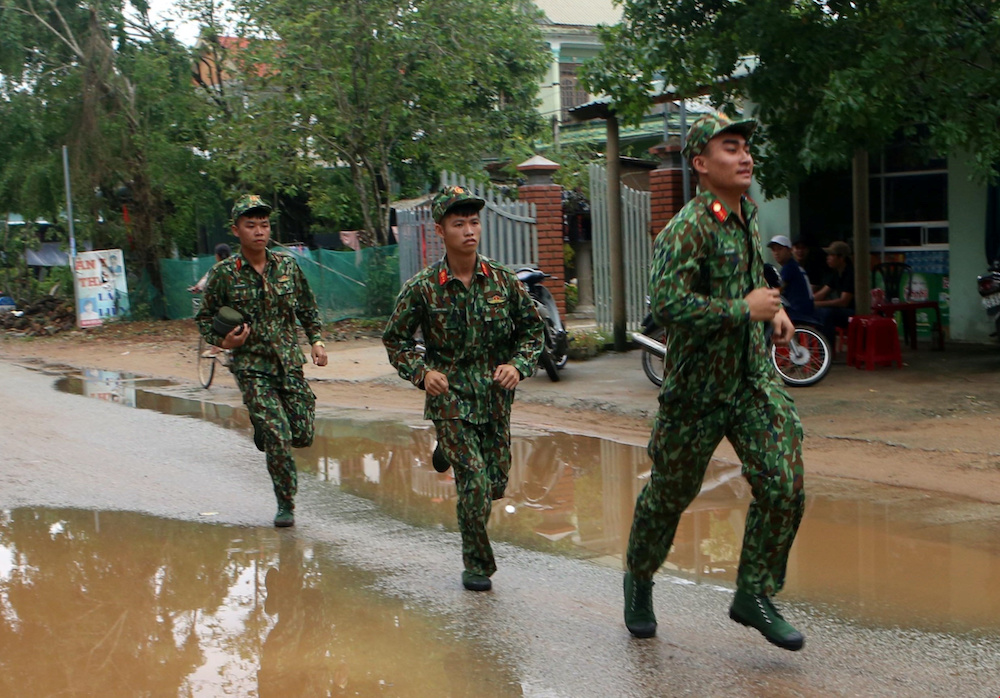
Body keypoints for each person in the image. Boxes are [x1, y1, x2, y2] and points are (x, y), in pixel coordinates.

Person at [622, 112, 806, 651]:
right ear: (702, 164)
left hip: (750, 383)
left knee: (784, 481)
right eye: (731, 147)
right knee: (669, 496)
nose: (745, 155)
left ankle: (753, 592)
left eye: (746, 146)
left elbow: (752, 280)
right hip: (697, 392)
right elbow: (668, 307)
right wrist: (740, 309)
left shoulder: (747, 215)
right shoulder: (686, 228)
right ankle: (638, 579)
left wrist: (772, 310)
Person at [382, 185, 544, 592]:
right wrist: (421, 373)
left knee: (495, 483)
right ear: (441, 230)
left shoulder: (503, 281)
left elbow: (531, 330)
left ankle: (446, 451)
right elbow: (395, 340)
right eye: (459, 223)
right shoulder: (424, 287)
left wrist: (518, 366)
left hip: (493, 398)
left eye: (474, 222)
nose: (469, 230)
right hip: (449, 400)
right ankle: (477, 566)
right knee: (472, 483)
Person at [195, 194, 328, 527]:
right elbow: (204, 319)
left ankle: (263, 429)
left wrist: (316, 340)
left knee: (302, 433)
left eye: (264, 225)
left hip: (289, 362)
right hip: (252, 367)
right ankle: (286, 504)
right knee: (279, 436)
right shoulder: (224, 274)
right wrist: (222, 340)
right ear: (236, 230)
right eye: (250, 225)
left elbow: (307, 307)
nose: (259, 231)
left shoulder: (287, 266)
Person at [813, 240, 855, 344]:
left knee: (827, 314)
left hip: (853, 313)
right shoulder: (836, 273)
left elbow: (843, 302)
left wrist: (818, 304)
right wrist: (807, 301)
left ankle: (828, 349)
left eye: (831, 255)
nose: (828, 258)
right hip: (842, 311)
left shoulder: (850, 273)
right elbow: (822, 293)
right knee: (817, 312)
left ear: (841, 258)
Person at [767, 234, 815, 321]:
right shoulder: (794, 266)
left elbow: (777, 290)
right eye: (773, 250)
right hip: (805, 311)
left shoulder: (789, 267)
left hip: (797, 312)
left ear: (790, 250)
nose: (776, 253)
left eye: (780, 249)